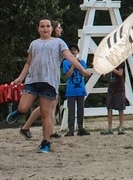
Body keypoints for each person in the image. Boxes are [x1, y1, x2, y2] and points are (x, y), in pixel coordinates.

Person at [6, 17, 91, 153]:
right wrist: (20, 78)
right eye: (42, 26)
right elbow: (28, 63)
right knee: (23, 106)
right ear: (38, 29)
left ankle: (46, 142)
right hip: (33, 80)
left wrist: (82, 70)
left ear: (51, 28)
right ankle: (19, 113)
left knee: (46, 113)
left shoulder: (58, 42)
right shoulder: (34, 44)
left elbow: (70, 57)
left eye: (47, 26)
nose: (45, 28)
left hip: (49, 82)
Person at [19, 20, 65, 139]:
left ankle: (49, 131)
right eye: (59, 28)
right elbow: (30, 62)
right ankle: (28, 126)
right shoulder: (39, 44)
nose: (61, 30)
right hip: (43, 81)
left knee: (49, 107)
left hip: (52, 80)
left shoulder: (57, 44)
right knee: (46, 107)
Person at [63, 44, 90, 136]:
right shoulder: (65, 62)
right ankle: (71, 129)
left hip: (80, 89)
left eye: (75, 50)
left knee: (80, 110)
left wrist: (78, 64)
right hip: (71, 90)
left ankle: (80, 128)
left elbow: (84, 73)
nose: (73, 52)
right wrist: (74, 65)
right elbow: (68, 75)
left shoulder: (82, 62)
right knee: (71, 110)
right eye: (71, 50)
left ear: (77, 52)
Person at [100, 62, 126, 135]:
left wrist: (111, 69)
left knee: (120, 108)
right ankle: (109, 128)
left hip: (119, 87)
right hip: (111, 87)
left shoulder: (121, 61)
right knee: (109, 107)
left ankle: (121, 127)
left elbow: (120, 73)